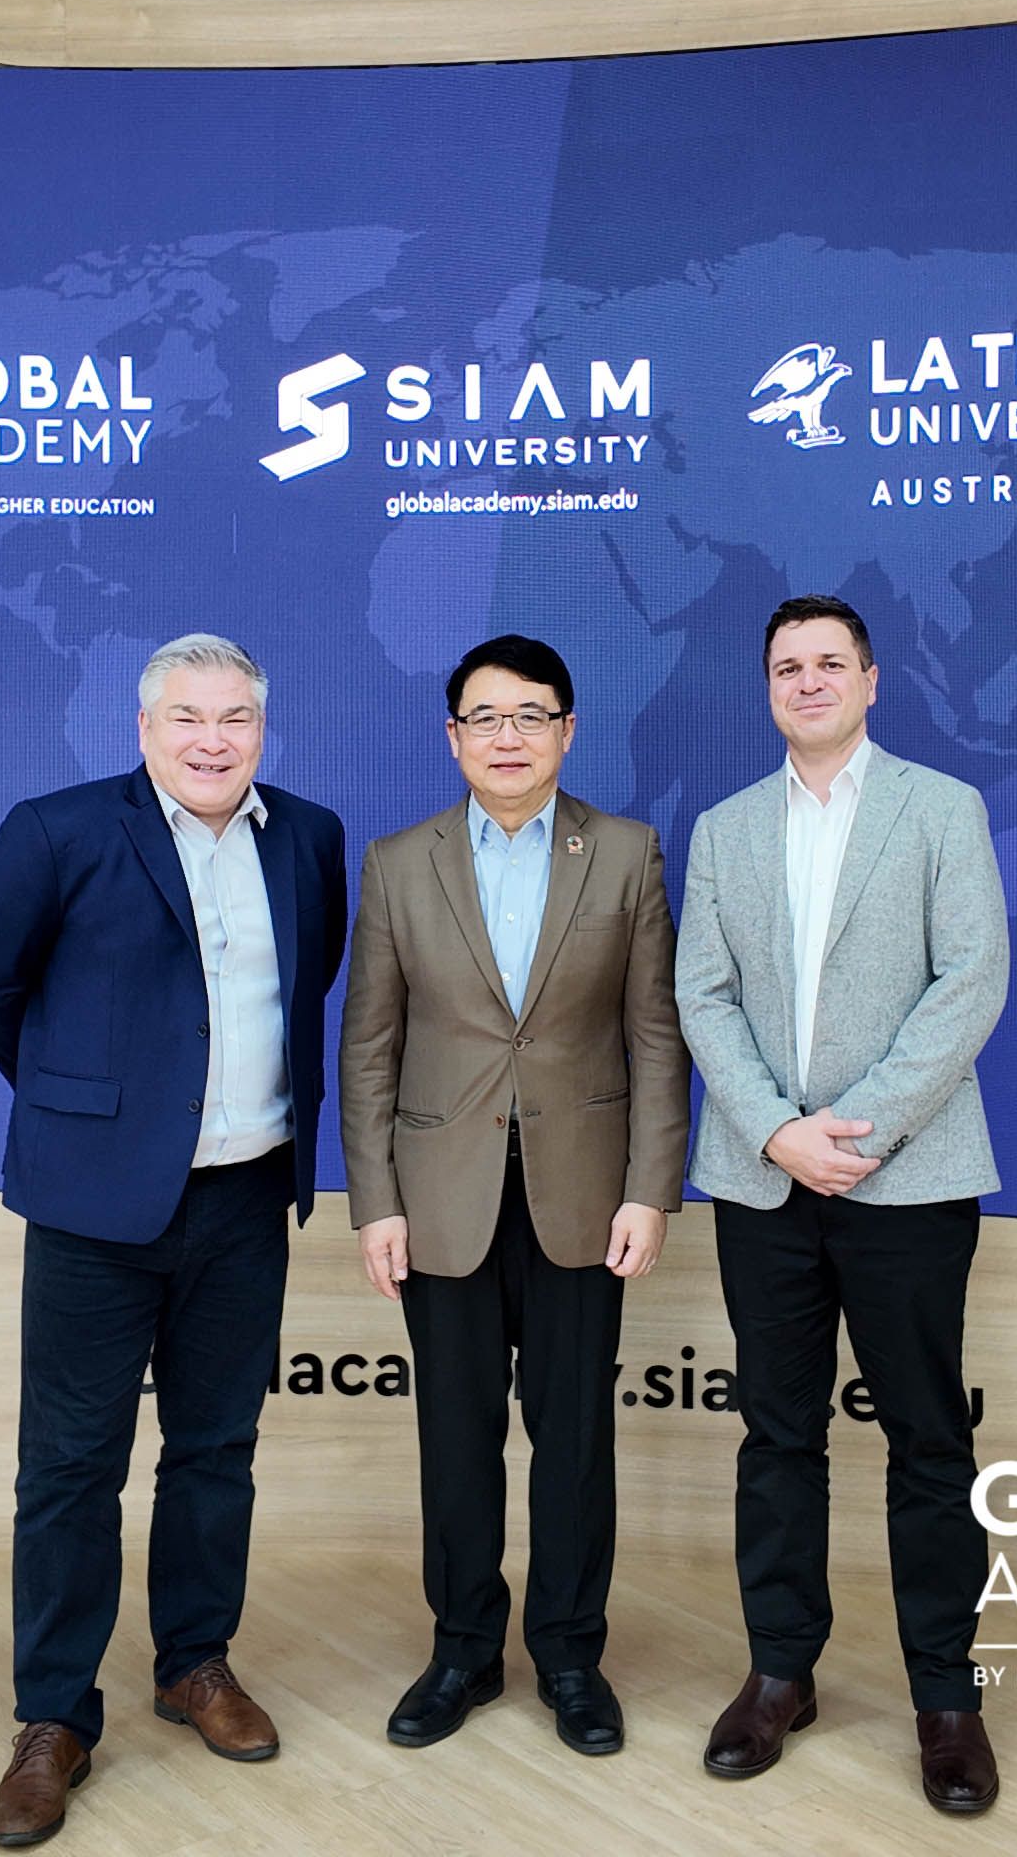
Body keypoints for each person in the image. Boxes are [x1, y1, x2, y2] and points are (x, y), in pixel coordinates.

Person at [0, 633, 349, 1849]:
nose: (213, 740)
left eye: (236, 719)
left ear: (262, 731)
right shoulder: (59, 830)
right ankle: (54, 1718)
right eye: (188, 717)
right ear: (143, 729)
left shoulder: (310, 838)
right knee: (70, 1467)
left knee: (217, 1449)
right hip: (95, 1207)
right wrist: (85, 1108)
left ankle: (194, 1665)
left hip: (246, 1198)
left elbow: (305, 988)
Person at [673, 593, 1011, 1817]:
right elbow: (702, 995)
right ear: (767, 687)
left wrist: (856, 1130)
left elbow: (972, 980)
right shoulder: (724, 829)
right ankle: (780, 1673)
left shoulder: (941, 809)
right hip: (764, 1180)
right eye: (787, 666)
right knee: (778, 1436)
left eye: (829, 662)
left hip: (903, 1176)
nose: (807, 681)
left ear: (871, 681)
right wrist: (778, 1131)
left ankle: (947, 1698)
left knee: (929, 1439)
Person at [337, 634, 688, 1758]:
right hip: (441, 1198)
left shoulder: (625, 853)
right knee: (457, 1438)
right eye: (485, 717)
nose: (508, 736)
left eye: (531, 715)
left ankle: (572, 1657)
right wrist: (376, 1202)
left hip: (585, 1196)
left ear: (567, 732)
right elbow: (369, 1048)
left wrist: (651, 1190)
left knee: (574, 1439)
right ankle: (463, 1651)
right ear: (453, 737)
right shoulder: (399, 863)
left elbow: (656, 1035)